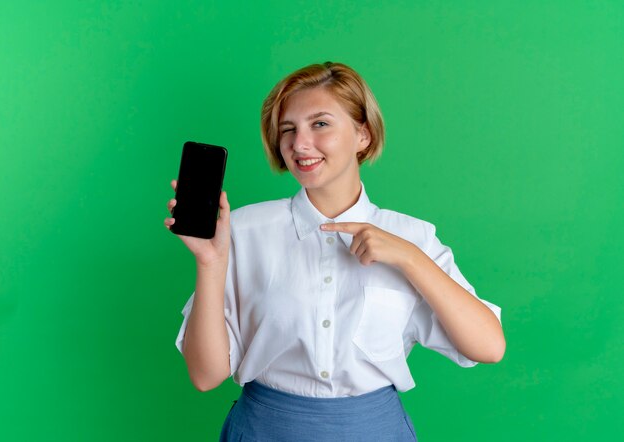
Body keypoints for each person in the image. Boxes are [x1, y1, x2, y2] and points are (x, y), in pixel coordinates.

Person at [165, 61, 505, 441]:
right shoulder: (242, 230)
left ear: (364, 134)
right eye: (288, 130)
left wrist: (410, 258)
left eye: (320, 124)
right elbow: (206, 375)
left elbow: (489, 347)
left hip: (376, 431)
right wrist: (210, 263)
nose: (299, 144)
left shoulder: (413, 236)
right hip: (265, 430)